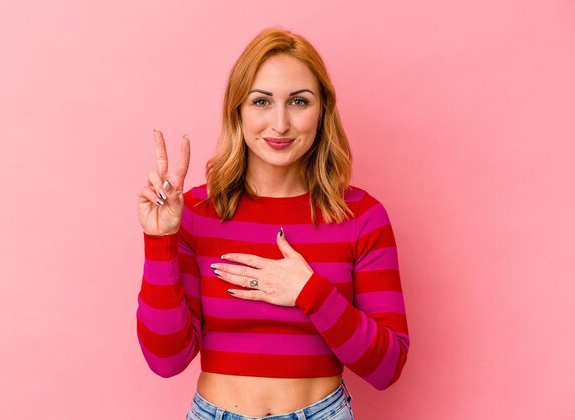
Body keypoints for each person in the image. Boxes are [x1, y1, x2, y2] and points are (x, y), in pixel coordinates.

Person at [136, 27, 410, 420]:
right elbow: (166, 360)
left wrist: (309, 291)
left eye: (299, 101)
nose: (280, 124)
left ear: (323, 111)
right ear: (238, 110)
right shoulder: (194, 212)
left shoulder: (362, 217)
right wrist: (160, 238)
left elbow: (387, 367)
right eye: (261, 101)